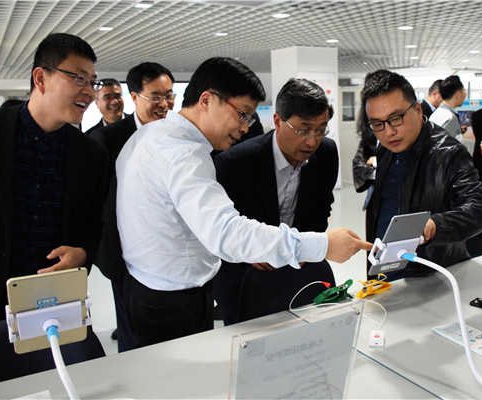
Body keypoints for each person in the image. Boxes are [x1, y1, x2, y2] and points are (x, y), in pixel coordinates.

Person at [115, 57, 371, 348]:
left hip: (144, 285)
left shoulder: (148, 135)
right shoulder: (186, 156)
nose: (246, 127)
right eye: (242, 114)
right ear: (207, 100)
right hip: (174, 299)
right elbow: (227, 233)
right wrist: (322, 245)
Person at [0, 33, 108, 351]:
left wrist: (83, 252)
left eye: (93, 82)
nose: (89, 92)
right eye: (79, 78)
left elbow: (93, 222)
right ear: (41, 78)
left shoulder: (91, 153)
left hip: (54, 295)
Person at [212, 78, 338, 325]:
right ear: (278, 121)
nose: (312, 141)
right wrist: (249, 251)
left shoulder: (326, 153)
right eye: (303, 130)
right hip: (248, 273)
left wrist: (303, 247)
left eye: (320, 130)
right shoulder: (235, 163)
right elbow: (220, 228)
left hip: (300, 268)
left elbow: (322, 208)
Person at [359, 69, 482, 280]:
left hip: (427, 275)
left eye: (396, 118)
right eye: (377, 124)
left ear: (416, 109)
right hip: (384, 268)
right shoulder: (386, 148)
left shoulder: (448, 153)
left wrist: (436, 225)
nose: (388, 132)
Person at [89, 62, 175, 352]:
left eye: (169, 95)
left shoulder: (176, 134)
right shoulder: (107, 139)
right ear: (135, 97)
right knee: (133, 333)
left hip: (168, 252)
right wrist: (108, 258)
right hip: (125, 256)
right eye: (156, 96)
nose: (164, 104)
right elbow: (97, 203)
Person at [429, 75, 467, 141]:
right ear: (458, 94)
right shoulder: (450, 118)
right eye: (464, 92)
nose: (465, 96)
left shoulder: (437, 113)